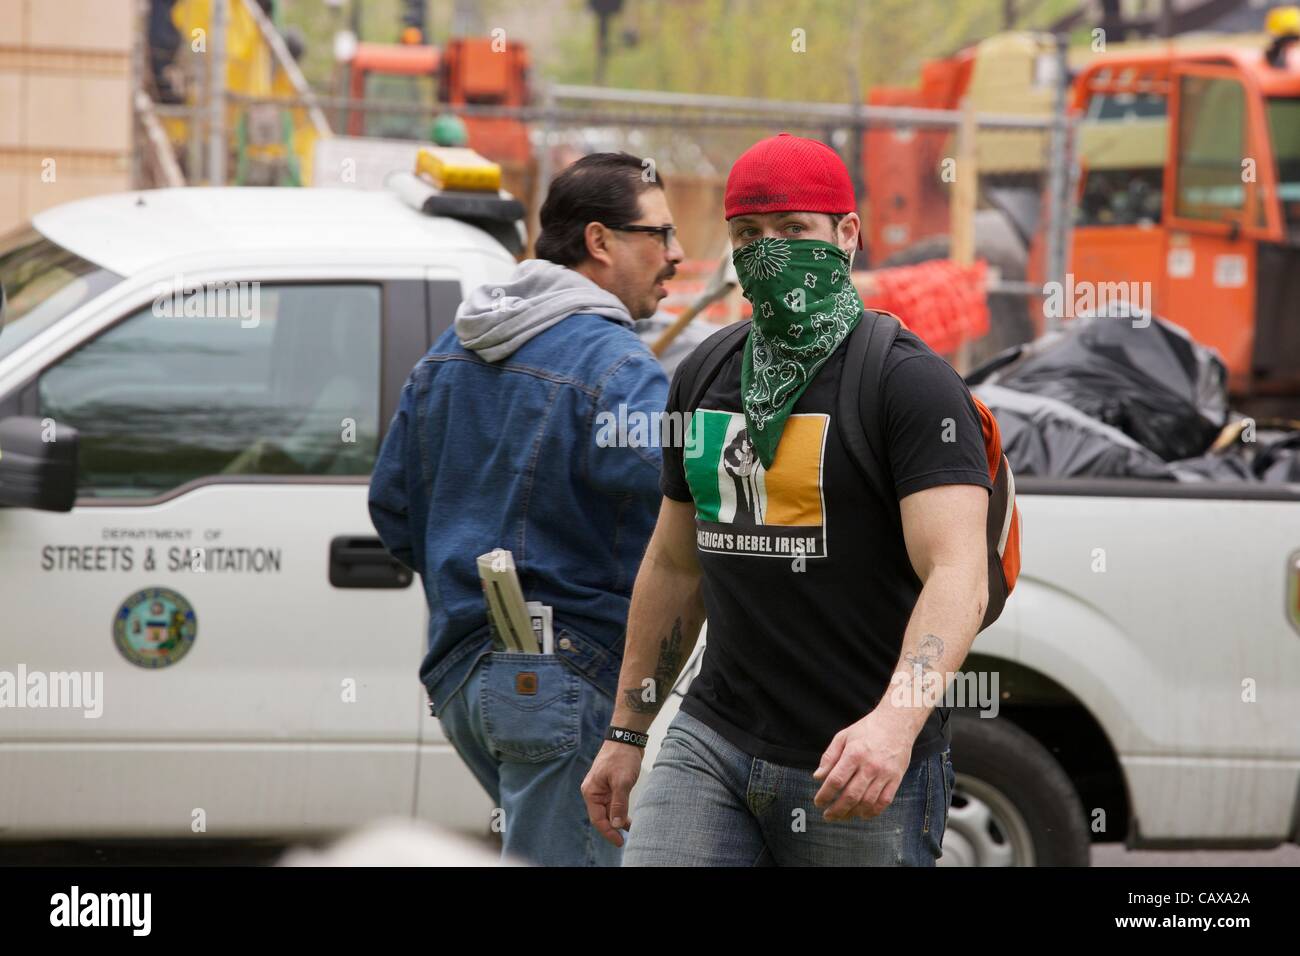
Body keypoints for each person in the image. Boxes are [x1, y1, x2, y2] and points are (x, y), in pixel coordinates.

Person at [581, 133, 991, 866]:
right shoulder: (704, 375)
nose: (769, 253)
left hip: (856, 761)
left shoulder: (908, 384)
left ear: (848, 235)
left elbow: (958, 571)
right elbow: (676, 566)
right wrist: (627, 729)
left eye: (794, 231)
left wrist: (893, 727)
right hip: (715, 739)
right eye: (749, 235)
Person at [369, 152, 684, 866]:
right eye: (659, 235)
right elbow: (690, 500)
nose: (676, 255)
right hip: (559, 680)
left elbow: (391, 508)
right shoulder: (618, 365)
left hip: (461, 679)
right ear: (600, 242)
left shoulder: (451, 349)